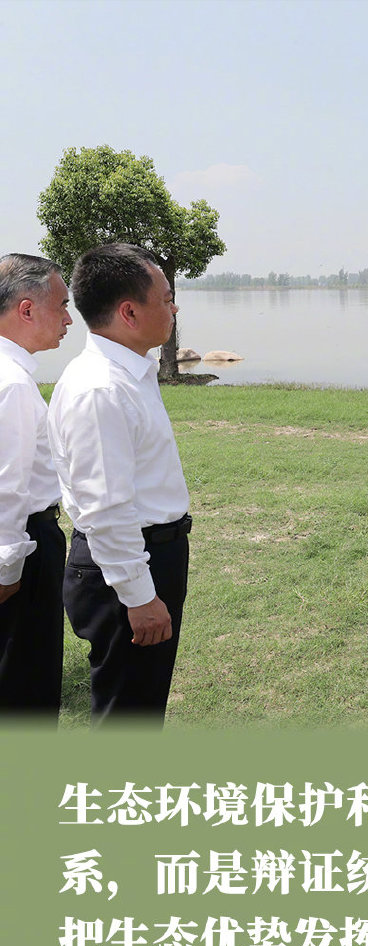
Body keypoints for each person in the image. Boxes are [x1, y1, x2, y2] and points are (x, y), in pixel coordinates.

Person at [48, 243, 190, 725]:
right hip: (124, 567)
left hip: (147, 555)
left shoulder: (130, 372)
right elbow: (104, 507)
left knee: (140, 707)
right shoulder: (101, 388)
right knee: (126, 717)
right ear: (129, 312)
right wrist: (139, 596)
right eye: (167, 299)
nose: (174, 308)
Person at [0, 255, 73, 717]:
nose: (69, 319)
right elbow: (7, 485)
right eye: (62, 305)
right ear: (26, 309)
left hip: (21, 539)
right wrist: (7, 569)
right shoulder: (12, 384)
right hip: (25, 543)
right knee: (26, 681)